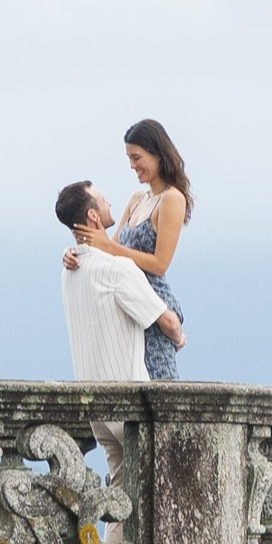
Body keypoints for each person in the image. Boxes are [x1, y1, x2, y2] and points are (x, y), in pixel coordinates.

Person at [65, 119, 193, 384]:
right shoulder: (137, 199)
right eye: (129, 158)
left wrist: (109, 246)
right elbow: (106, 250)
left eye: (136, 157)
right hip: (127, 303)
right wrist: (73, 252)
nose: (132, 165)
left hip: (153, 306)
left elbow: (160, 263)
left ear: (157, 154)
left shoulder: (171, 199)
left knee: (158, 391)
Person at [56, 180, 184, 385]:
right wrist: (178, 338)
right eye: (104, 200)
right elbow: (169, 323)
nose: (110, 203)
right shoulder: (118, 270)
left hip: (89, 390)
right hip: (129, 391)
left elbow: (105, 249)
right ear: (93, 215)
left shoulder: (69, 272)